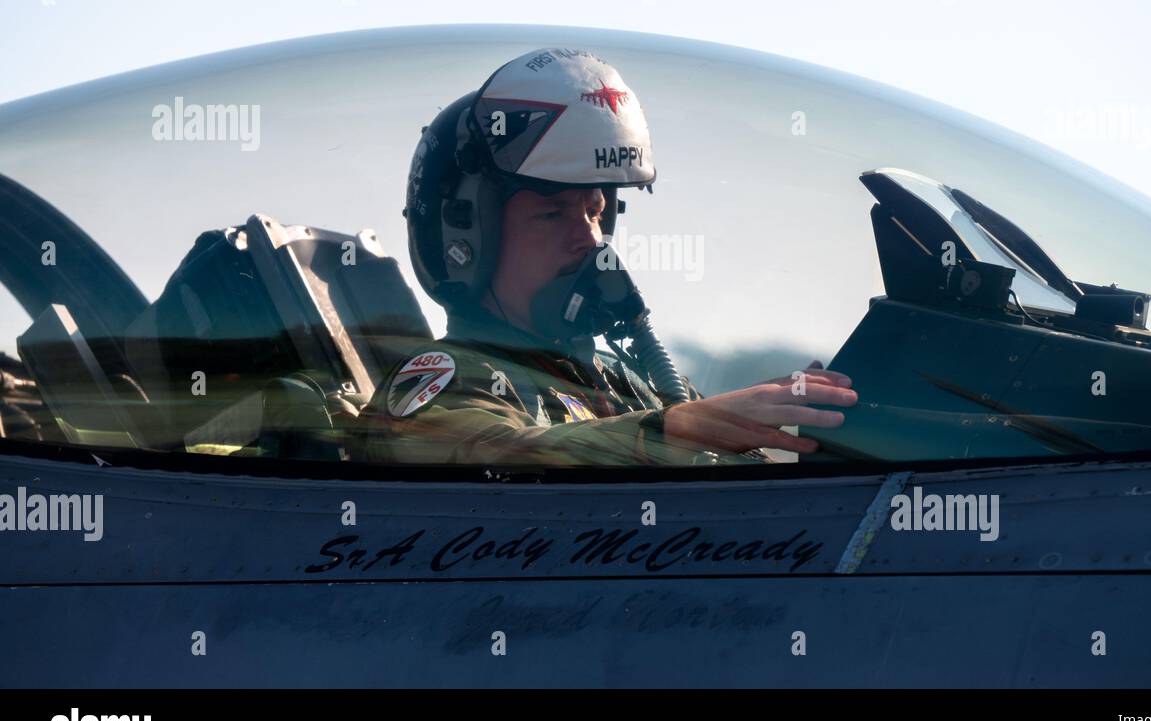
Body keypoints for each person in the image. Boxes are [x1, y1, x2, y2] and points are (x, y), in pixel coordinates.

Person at [350, 48, 856, 466]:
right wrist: (671, 433)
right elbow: (500, 459)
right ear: (469, 241)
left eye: (595, 213)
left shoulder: (625, 381)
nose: (591, 241)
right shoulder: (442, 383)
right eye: (551, 215)